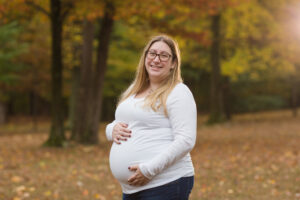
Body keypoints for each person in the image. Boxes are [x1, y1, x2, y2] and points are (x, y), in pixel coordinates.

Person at [105, 35, 197, 200]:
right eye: (152, 53)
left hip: (166, 182)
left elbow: (186, 140)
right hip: (131, 188)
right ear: (145, 57)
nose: (156, 59)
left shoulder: (178, 92)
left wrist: (149, 170)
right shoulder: (134, 89)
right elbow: (124, 121)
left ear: (173, 63)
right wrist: (111, 129)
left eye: (164, 55)